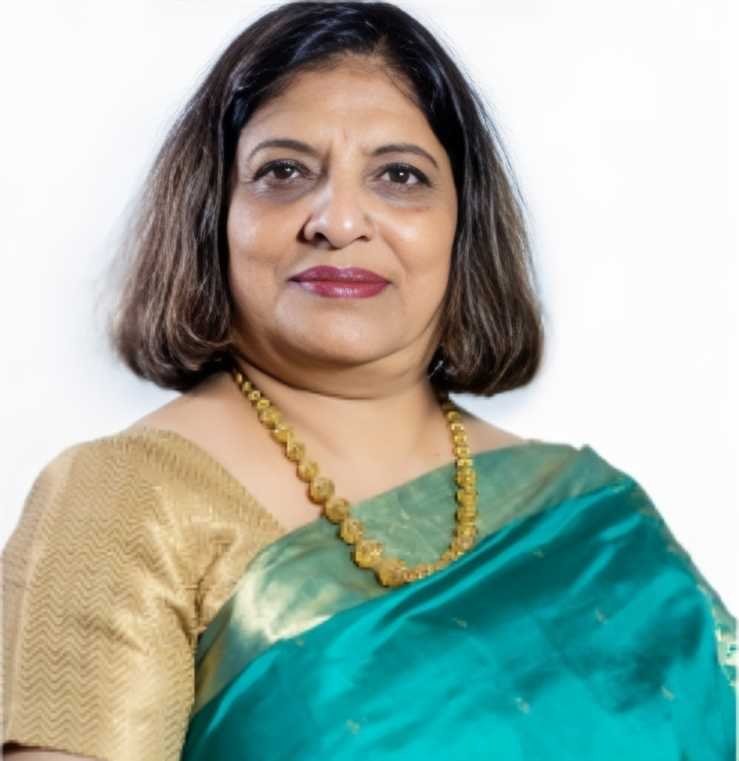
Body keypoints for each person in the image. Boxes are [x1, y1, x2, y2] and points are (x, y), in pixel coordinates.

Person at [2, 1, 735, 759]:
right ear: (212, 214)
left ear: (462, 223)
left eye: (399, 176)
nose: (339, 219)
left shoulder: (586, 507)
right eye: (283, 172)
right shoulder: (127, 503)